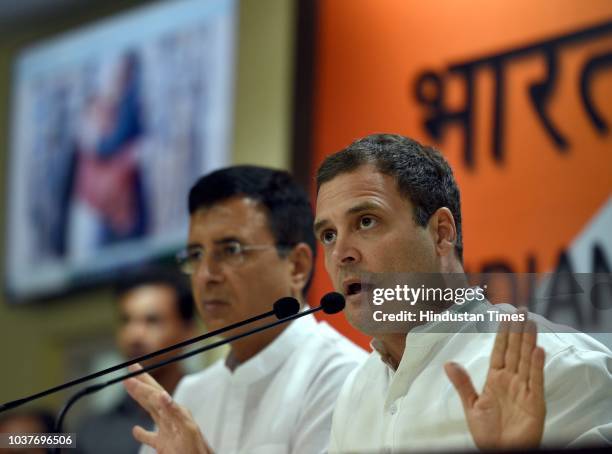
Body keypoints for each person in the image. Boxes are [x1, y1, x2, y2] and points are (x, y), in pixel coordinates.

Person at [314, 133, 612, 452]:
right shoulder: (356, 391)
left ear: (442, 233)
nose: (340, 254)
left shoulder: (557, 368)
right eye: (329, 235)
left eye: (366, 221)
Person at [123, 166, 366, 453]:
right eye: (196, 255)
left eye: (231, 250)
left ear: (297, 266)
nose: (205, 275)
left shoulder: (344, 377)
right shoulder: (190, 394)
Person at [76, 268, 196, 454]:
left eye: (152, 321)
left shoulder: (213, 405)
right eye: (126, 320)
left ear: (188, 330)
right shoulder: (91, 432)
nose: (134, 335)